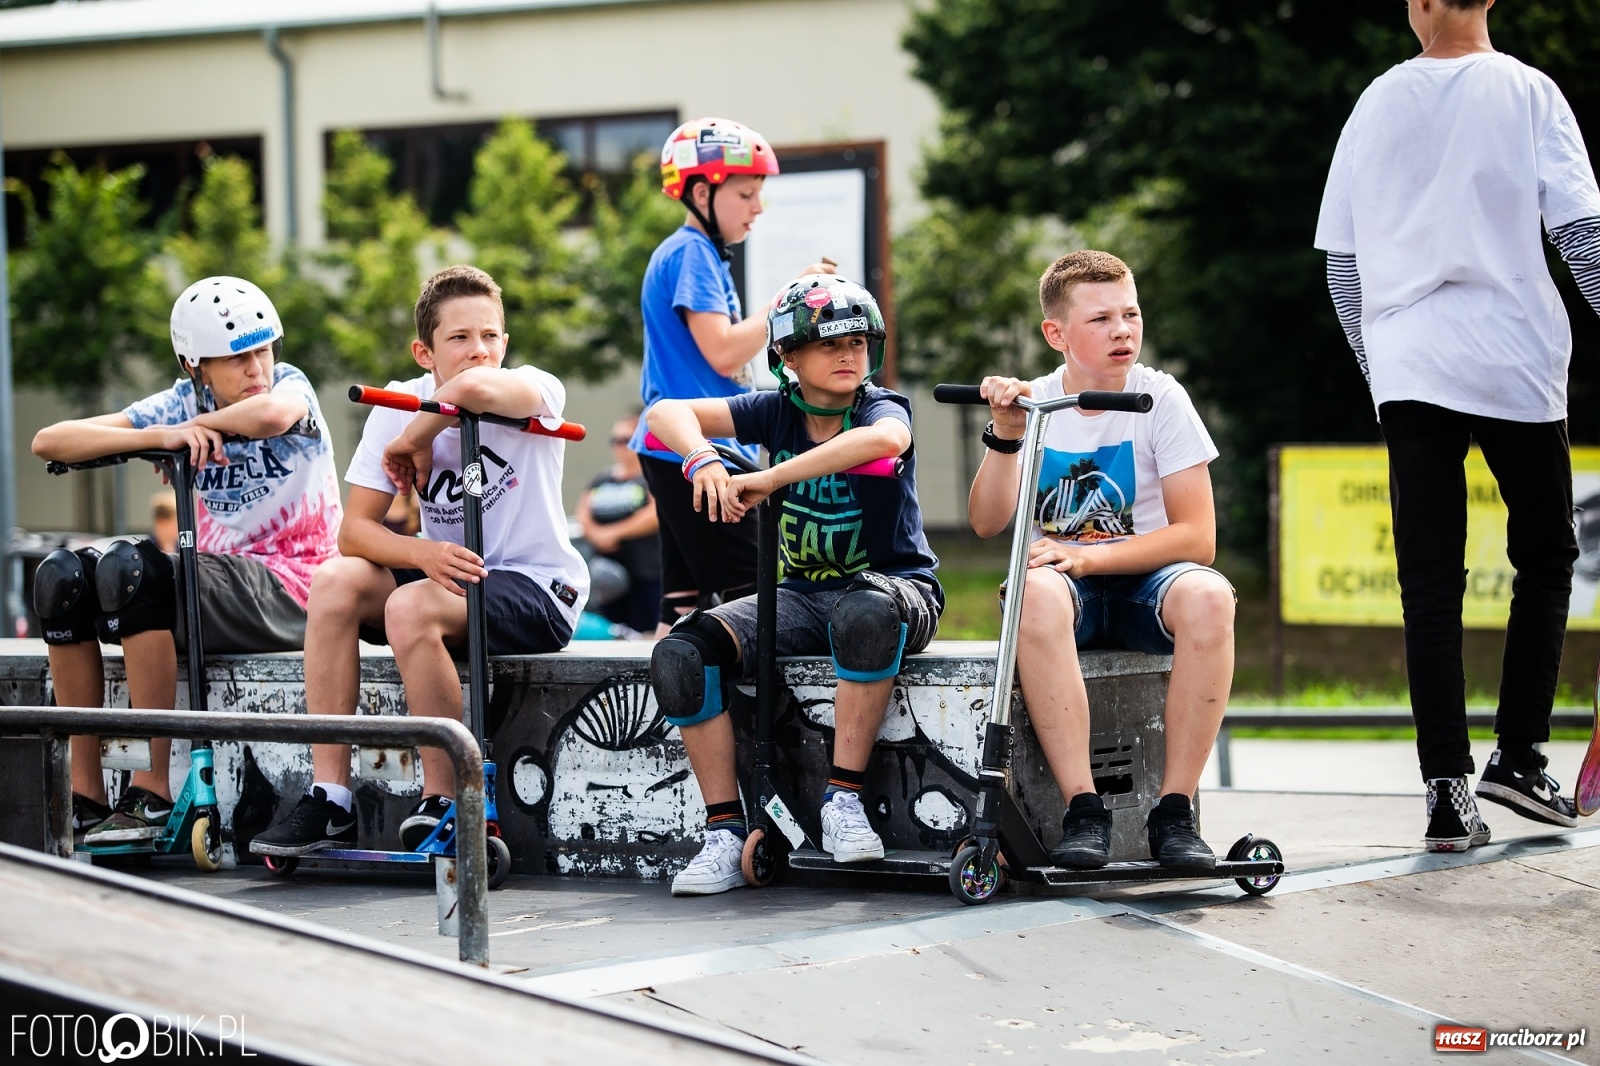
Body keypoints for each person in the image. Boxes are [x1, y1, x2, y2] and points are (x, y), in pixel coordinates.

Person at [1315, 0, 1600, 850]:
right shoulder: (1529, 91)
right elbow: (1583, 238)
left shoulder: (1376, 100)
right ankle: (1518, 757)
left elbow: (1342, 267)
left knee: (1429, 583)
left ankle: (1447, 793)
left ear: (1419, 4)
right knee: (1546, 556)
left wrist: (1387, 373)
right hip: (1513, 357)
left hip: (1412, 365)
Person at [251, 265, 588, 857]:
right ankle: (330, 795)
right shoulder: (395, 403)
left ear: (507, 344)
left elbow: (478, 392)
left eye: (490, 336)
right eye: (459, 339)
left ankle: (448, 798)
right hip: (450, 576)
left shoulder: (535, 386)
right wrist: (423, 553)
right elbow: (353, 533)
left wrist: (416, 439)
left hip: (538, 590)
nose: (479, 351)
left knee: (409, 605)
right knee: (334, 582)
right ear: (423, 351)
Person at [647, 274, 943, 896]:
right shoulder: (774, 409)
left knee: (863, 614)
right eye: (830, 345)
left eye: (860, 343)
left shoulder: (878, 407)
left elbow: (885, 441)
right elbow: (664, 412)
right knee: (681, 652)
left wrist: (770, 478)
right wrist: (701, 457)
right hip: (802, 597)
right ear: (787, 357)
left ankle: (843, 801)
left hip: (898, 588)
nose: (848, 356)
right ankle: (726, 831)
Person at [31, 276, 341, 845]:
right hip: (214, 587)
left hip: (295, 587)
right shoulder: (179, 404)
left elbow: (273, 415)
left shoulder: (292, 387)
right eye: (237, 358)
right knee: (61, 580)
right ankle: (84, 796)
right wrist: (168, 433)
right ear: (194, 364)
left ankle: (151, 792)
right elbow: (50, 441)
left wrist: (192, 431)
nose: (256, 369)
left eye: (263, 349)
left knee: (134, 570)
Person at [970, 250, 1234, 870]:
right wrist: (1005, 432)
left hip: (1144, 583)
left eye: (1131, 313)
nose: (1122, 330)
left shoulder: (1161, 398)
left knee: (1210, 595)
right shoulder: (1033, 403)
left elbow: (1197, 538)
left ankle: (1175, 812)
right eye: (1101, 319)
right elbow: (986, 523)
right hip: (1068, 591)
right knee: (1029, 591)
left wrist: (1092, 558)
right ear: (1056, 334)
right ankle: (1082, 810)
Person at [631, 117, 835, 635]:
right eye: (745, 193)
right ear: (701, 191)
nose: (758, 207)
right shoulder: (691, 253)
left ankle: (669, 714)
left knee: (681, 605)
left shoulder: (698, 254)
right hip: (694, 446)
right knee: (757, 594)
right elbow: (721, 352)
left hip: (671, 445)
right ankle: (764, 717)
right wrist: (790, 302)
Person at [577, 413, 661, 634]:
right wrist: (597, 534)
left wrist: (614, 533)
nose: (620, 446)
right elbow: (583, 512)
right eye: (615, 440)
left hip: (645, 576)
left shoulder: (650, 476)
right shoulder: (601, 478)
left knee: (647, 636)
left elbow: (655, 513)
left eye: (626, 439)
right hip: (608, 577)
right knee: (611, 634)